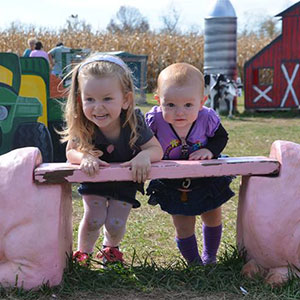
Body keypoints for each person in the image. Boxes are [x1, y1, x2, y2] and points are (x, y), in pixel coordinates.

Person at [61, 53, 163, 266]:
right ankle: (83, 254)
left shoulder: (134, 121)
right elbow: (71, 152)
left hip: (125, 181)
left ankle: (111, 250)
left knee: (116, 223)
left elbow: (156, 149)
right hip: (94, 178)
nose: (98, 107)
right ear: (80, 100)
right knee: (94, 219)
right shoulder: (84, 124)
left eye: (107, 99)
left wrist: (144, 155)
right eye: (90, 99)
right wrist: (85, 157)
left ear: (125, 100)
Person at [145, 63, 235, 266]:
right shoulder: (154, 121)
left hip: (205, 179)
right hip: (172, 181)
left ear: (201, 102)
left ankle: (210, 256)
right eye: (170, 105)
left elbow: (221, 137)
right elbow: (141, 142)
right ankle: (194, 264)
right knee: (183, 223)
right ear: (159, 101)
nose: (180, 112)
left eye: (188, 105)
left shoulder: (206, 118)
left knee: (212, 216)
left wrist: (210, 150)